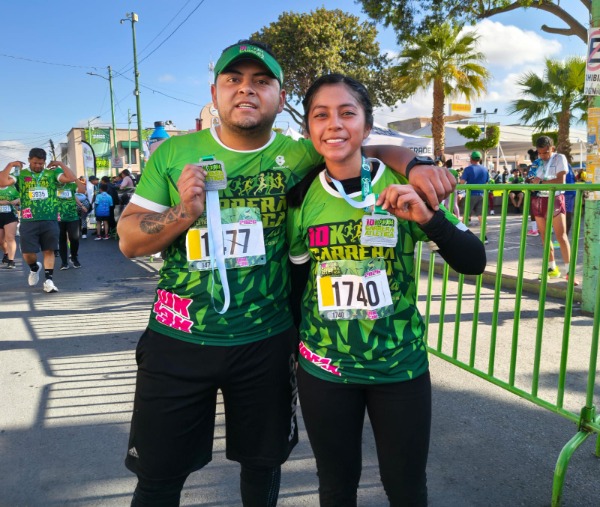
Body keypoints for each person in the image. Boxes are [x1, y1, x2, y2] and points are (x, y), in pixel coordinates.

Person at [116, 40, 455, 507]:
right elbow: (129, 240)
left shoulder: (300, 153)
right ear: (214, 93)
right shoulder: (174, 153)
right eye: (233, 80)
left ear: (280, 98)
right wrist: (183, 212)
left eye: (261, 81)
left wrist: (413, 163)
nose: (246, 90)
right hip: (178, 338)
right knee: (157, 478)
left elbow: (358, 143)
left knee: (263, 466)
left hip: (266, 343)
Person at [286, 73, 486, 506]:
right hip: (324, 368)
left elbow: (473, 261)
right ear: (308, 129)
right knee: (336, 487)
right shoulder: (300, 198)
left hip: (399, 368)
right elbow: (297, 283)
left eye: (347, 113)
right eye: (321, 115)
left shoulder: (403, 184)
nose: (334, 124)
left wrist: (428, 219)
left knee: (406, 488)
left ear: (367, 125)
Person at [0, 148, 76, 293]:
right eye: (35, 163)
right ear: (29, 160)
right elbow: (2, 181)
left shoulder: (52, 173)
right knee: (28, 254)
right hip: (29, 219)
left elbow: (71, 178)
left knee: (49, 250)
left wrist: (60, 164)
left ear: (44, 162)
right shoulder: (21, 174)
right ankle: (34, 268)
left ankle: (49, 280)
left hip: (50, 218)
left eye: (41, 163)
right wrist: (10, 165)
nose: (38, 166)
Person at [527, 136, 577, 285]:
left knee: (561, 236)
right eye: (540, 153)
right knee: (544, 235)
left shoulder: (559, 158)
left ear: (552, 149)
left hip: (555, 198)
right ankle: (551, 268)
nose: (543, 156)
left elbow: (561, 181)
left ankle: (569, 272)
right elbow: (531, 182)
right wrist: (535, 183)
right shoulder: (536, 162)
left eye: (546, 152)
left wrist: (541, 182)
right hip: (538, 199)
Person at [57, 176, 86, 269]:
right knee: (61, 240)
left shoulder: (71, 185)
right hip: (58, 217)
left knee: (74, 238)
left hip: (72, 216)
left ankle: (74, 257)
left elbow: (80, 192)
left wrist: (81, 205)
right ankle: (64, 262)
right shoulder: (53, 185)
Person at [460, 151, 489, 243]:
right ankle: (484, 237)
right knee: (481, 216)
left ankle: (462, 236)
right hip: (482, 194)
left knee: (466, 215)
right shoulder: (485, 169)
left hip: (471, 194)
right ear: (480, 159)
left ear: (471, 159)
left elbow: (462, 182)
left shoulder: (468, 169)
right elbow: (487, 182)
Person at [0, 183, 20, 269]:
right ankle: (6, 253)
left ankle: (11, 261)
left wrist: (16, 201)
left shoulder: (12, 189)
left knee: (10, 237)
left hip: (10, 215)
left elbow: (20, 199)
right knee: (1, 241)